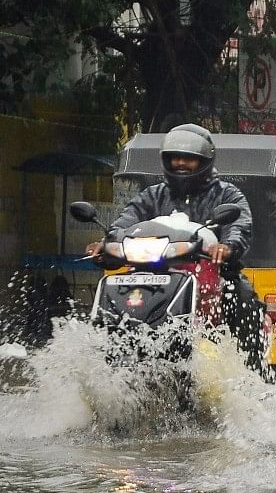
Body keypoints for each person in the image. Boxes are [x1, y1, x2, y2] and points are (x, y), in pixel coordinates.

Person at [88, 123, 263, 367]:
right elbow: (126, 222)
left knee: (243, 298)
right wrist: (107, 244)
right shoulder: (153, 195)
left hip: (211, 273)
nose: (181, 163)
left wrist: (227, 246)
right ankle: (99, 354)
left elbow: (239, 225)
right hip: (150, 272)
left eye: (189, 159)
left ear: (204, 161)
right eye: (175, 158)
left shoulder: (227, 194)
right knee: (114, 293)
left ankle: (249, 371)